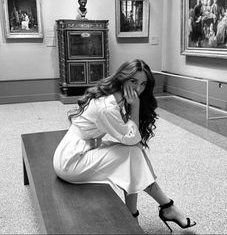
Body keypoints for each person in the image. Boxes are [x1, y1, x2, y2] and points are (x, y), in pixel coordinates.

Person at [53, 59, 196, 232]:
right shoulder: (108, 106)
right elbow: (133, 138)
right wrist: (135, 106)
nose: (138, 89)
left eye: (143, 84)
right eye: (133, 81)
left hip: (77, 149)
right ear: (122, 78)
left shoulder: (116, 97)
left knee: (133, 154)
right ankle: (164, 207)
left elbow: (130, 138)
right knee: (133, 153)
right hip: (71, 161)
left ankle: (141, 213)